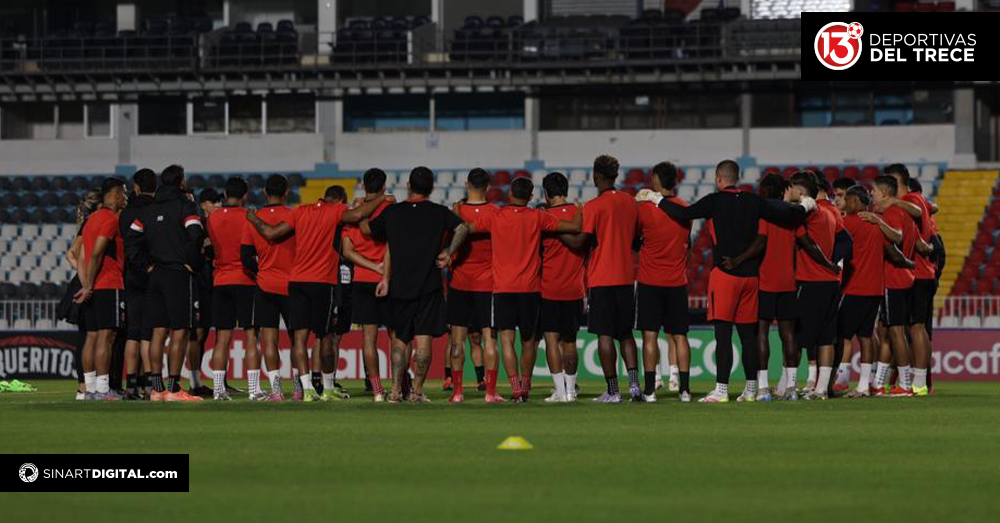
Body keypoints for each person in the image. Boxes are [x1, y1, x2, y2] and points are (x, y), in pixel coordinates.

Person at [643, 160, 814, 403]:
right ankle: (752, 389)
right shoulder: (753, 201)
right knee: (748, 337)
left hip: (724, 277)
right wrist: (806, 205)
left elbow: (683, 214)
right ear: (737, 178)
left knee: (723, 336)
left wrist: (656, 199)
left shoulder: (714, 200)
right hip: (750, 278)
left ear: (718, 179)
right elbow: (786, 212)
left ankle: (721, 390)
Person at [246, 178, 387, 402]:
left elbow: (272, 233)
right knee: (325, 337)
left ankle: (307, 390)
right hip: (323, 282)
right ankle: (328, 387)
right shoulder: (337, 210)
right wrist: (381, 197)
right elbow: (358, 216)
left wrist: (253, 218)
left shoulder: (300, 211)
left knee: (299, 339)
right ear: (340, 200)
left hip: (297, 282)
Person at [465, 177, 581, 402]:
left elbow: (465, 228)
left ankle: (516, 387)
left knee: (506, 340)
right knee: (529, 341)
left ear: (510, 194)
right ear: (530, 197)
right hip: (529, 289)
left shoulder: (495, 216)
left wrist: (450, 249)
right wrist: (581, 210)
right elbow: (574, 227)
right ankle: (526, 386)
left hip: (502, 289)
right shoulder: (538, 216)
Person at [364, 166, 469, 403]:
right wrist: (449, 252)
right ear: (432, 188)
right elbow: (463, 227)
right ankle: (417, 392)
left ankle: (394, 392)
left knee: (400, 340)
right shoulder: (438, 212)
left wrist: (371, 200)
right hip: (428, 286)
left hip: (399, 285)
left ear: (408, 186)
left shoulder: (392, 212)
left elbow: (368, 229)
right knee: (424, 341)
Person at [128, 165, 206, 402]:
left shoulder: (148, 210)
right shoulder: (185, 206)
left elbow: (131, 240)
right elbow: (196, 236)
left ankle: (156, 389)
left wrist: (146, 266)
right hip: (177, 274)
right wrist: (194, 263)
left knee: (158, 333)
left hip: (156, 275)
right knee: (180, 331)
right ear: (181, 182)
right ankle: (173, 389)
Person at [839, 186, 913, 398]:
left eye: (847, 199)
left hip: (853, 287)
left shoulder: (850, 223)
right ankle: (863, 385)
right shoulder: (878, 225)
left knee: (841, 336)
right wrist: (911, 264)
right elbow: (894, 253)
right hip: (875, 290)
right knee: (866, 337)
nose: (845, 203)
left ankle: (837, 380)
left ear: (855, 201)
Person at [580, 155, 642, 403]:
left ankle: (614, 391)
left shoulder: (593, 206)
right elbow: (637, 240)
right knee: (625, 334)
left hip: (601, 278)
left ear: (596, 176)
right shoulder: (630, 203)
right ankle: (635, 387)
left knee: (604, 335)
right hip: (626, 276)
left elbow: (584, 241)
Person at [634, 162, 693, 402]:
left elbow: (634, 240)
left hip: (650, 281)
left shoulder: (645, 209)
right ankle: (685, 390)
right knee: (680, 336)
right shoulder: (685, 209)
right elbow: (687, 245)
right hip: (677, 281)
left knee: (650, 336)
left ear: (658, 180)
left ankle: (650, 391)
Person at [445, 168, 502, 403]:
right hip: (487, 284)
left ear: (467, 184)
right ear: (487, 187)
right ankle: (490, 392)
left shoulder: (457, 211)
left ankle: (458, 393)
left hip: (460, 283)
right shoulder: (496, 213)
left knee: (457, 340)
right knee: (490, 340)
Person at [786, 171, 842, 401]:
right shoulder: (831, 213)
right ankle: (820, 389)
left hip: (810, 280)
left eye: (790, 189)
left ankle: (787, 386)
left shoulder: (810, 212)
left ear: (799, 192)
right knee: (826, 337)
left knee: (796, 337)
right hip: (830, 283)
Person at [863, 175, 920, 396]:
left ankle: (905, 384)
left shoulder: (892, 213)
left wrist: (878, 222)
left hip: (894, 279)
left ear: (885, 193)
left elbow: (896, 237)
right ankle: (879, 382)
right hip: (902, 278)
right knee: (886, 332)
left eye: (874, 191)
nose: (871, 195)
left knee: (896, 332)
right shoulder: (902, 212)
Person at [206, 177, 261, 401]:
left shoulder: (212, 218)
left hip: (220, 280)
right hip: (245, 280)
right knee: (251, 336)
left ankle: (218, 389)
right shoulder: (249, 217)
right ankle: (254, 390)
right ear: (245, 195)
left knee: (222, 339)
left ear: (225, 194)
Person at [341, 169, 394, 402]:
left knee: (368, 339)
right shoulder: (391, 210)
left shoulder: (353, 214)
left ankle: (376, 391)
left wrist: (371, 268)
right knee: (397, 337)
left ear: (363, 186)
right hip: (388, 279)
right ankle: (398, 387)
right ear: (384, 187)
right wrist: (380, 269)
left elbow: (347, 251)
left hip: (362, 281)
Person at [74, 177, 128, 401]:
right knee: (107, 337)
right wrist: (88, 286)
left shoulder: (90, 220)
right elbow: (96, 253)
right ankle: (104, 390)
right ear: (115, 196)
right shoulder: (110, 220)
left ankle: (90, 389)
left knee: (92, 337)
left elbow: (81, 255)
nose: (125, 198)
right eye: (123, 194)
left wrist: (86, 283)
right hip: (109, 283)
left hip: (94, 284)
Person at [884, 164, 936, 396]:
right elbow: (932, 208)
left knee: (915, 328)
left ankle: (917, 383)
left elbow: (916, 210)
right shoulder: (920, 201)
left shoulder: (912, 198)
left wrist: (894, 202)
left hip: (919, 272)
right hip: (921, 271)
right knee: (915, 328)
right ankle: (919, 382)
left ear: (899, 180)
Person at [538, 172, 587, 403]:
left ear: (546, 194)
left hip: (549, 287)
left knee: (551, 339)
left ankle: (559, 391)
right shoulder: (581, 214)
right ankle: (570, 391)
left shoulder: (544, 216)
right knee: (570, 342)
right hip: (575, 289)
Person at [752, 174, 797, 401]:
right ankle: (791, 388)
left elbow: (760, 242)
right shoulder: (791, 215)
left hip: (766, 281)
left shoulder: (766, 214)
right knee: (788, 334)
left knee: (762, 332)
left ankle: (762, 389)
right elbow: (803, 242)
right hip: (788, 281)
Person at [120, 169, 157, 400]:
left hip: (131, 277)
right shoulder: (156, 210)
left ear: (136, 187)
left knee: (132, 334)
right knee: (149, 336)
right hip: (153, 277)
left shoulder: (126, 214)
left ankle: (131, 385)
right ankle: (151, 386)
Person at [186, 188, 221, 396]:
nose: (217, 205)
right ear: (203, 205)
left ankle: (201, 383)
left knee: (206, 332)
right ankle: (194, 383)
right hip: (198, 283)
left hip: (213, 283)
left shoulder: (218, 224)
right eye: (213, 202)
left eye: (219, 202)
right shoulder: (197, 224)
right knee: (197, 333)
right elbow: (194, 251)